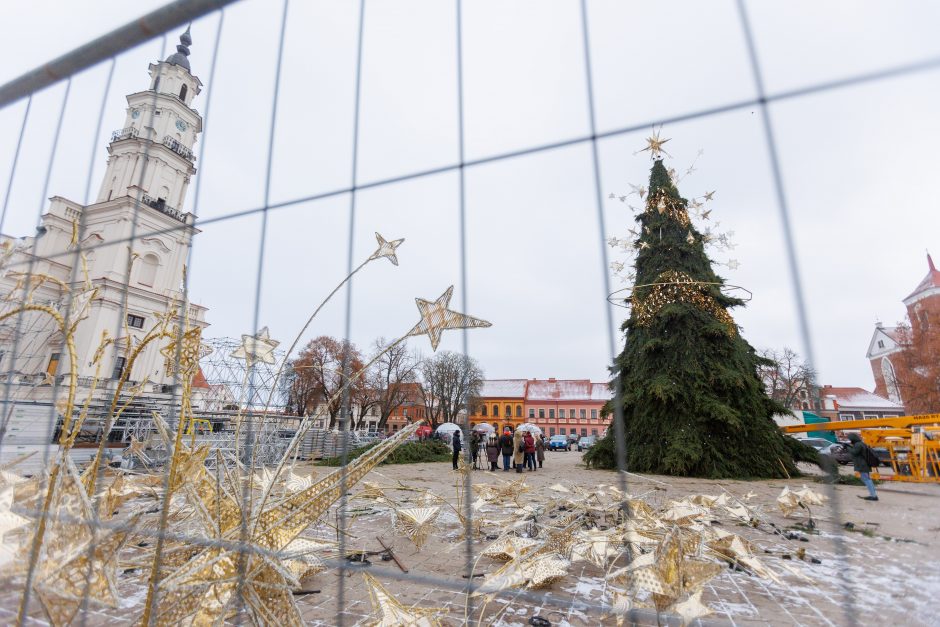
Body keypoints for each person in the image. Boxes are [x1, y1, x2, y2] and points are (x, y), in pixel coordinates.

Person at [847, 432, 878, 501]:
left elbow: (854, 452)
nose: (849, 440)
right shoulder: (860, 444)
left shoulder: (858, 444)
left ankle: (873, 496)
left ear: (853, 439)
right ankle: (873, 494)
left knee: (866, 479)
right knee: (867, 479)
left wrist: (848, 448)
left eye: (850, 439)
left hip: (862, 465)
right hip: (864, 464)